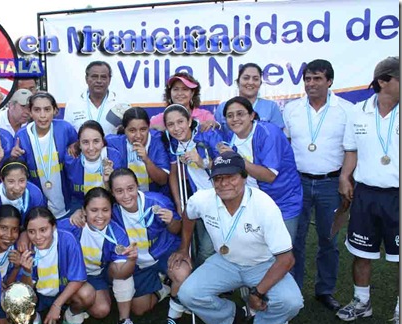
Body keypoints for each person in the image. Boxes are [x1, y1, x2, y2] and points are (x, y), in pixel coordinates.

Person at [174, 151, 304, 324]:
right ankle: (228, 318)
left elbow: (286, 259)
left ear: (244, 177)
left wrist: (257, 293)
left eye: (231, 177)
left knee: (292, 302)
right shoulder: (203, 199)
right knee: (188, 294)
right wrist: (184, 248)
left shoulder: (264, 205)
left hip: (263, 264)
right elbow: (188, 215)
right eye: (218, 178)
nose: (224, 183)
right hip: (225, 262)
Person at [283, 59, 355, 311]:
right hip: (297, 183)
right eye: (307, 79)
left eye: (317, 78)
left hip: (330, 183)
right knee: (295, 240)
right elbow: (286, 146)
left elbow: (350, 149)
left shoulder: (346, 110)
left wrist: (345, 178)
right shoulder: (291, 109)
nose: (311, 84)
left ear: (330, 81)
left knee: (328, 239)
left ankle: (325, 291)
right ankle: (293, 290)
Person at [337, 56, 399, 324]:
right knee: (361, 253)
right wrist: (344, 177)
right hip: (366, 194)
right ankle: (362, 302)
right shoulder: (358, 111)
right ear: (384, 82)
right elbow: (351, 150)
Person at [108, 168, 188, 324]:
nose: (126, 195)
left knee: (182, 274)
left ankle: (173, 318)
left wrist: (171, 222)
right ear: (112, 193)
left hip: (164, 252)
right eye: (119, 191)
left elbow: (177, 229)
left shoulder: (157, 202)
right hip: (138, 263)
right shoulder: (112, 212)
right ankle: (164, 287)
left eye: (130, 188)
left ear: (137, 186)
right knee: (139, 309)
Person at [59, 187, 141, 324]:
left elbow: (122, 273)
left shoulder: (117, 233)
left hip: (95, 276)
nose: (100, 216)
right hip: (69, 275)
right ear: (84, 211)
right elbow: (43, 230)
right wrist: (23, 237)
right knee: (84, 295)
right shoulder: (72, 224)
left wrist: (131, 260)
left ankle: (124, 321)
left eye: (105, 210)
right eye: (94, 210)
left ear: (112, 210)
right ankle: (72, 315)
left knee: (101, 310)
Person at [218, 96, 302, 239]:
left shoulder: (269, 133)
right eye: (230, 116)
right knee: (256, 251)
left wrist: (236, 158)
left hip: (282, 202)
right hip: (252, 203)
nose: (235, 119)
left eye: (240, 113)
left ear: (251, 115)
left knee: (283, 251)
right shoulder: (231, 135)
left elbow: (269, 176)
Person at [19, 207, 94, 324]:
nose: (38, 237)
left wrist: (57, 305)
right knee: (16, 296)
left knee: (87, 293)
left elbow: (78, 279)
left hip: (62, 291)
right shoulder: (25, 247)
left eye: (43, 230)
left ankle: (71, 317)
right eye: (31, 232)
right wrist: (26, 271)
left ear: (53, 227)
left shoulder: (67, 239)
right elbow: (24, 290)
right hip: (38, 295)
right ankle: (35, 318)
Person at [163, 104, 222, 264]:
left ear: (190, 121)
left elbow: (229, 160)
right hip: (202, 200)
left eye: (180, 122)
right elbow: (174, 175)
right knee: (203, 246)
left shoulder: (207, 134)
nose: (176, 128)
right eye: (170, 125)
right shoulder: (175, 144)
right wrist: (179, 203)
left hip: (222, 197)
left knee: (206, 250)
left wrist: (202, 162)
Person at [12, 92, 78, 219]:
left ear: (55, 110)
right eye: (37, 110)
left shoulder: (65, 129)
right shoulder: (22, 136)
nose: (42, 115)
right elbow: (19, 172)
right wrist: (14, 157)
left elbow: (77, 158)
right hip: (38, 209)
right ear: (30, 112)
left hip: (68, 205)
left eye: (47, 109)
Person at [106, 107, 170, 195]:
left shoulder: (158, 141)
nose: (138, 135)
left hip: (155, 197)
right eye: (132, 130)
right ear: (124, 130)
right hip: (125, 198)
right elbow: (93, 139)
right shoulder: (114, 142)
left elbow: (163, 181)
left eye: (143, 129)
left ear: (149, 128)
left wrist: (146, 160)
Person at [65, 120, 125, 208]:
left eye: (96, 141)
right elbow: (72, 196)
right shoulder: (71, 160)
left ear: (103, 142)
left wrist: (110, 182)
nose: (91, 148)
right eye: (85, 142)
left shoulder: (114, 157)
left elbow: (121, 197)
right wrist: (79, 210)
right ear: (79, 144)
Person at [63, 61, 130, 135]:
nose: (99, 81)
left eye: (103, 77)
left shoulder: (122, 103)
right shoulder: (73, 104)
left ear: (109, 80)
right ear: (86, 79)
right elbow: (67, 135)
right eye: (94, 77)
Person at [0, 159, 46, 223]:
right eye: (11, 181)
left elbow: (40, 221)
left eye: (22, 181)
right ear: (2, 179)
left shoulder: (35, 194)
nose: (17, 187)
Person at [215, 63, 285, 130]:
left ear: (260, 84)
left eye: (255, 79)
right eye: (246, 78)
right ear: (238, 82)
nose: (251, 82)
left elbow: (277, 136)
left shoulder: (271, 107)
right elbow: (217, 134)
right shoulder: (223, 107)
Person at [150, 72, 219, 132]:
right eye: (176, 89)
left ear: (192, 93)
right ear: (170, 93)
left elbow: (215, 130)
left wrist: (213, 124)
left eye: (185, 89)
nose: (180, 93)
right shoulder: (160, 118)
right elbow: (143, 130)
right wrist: (154, 128)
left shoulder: (205, 115)